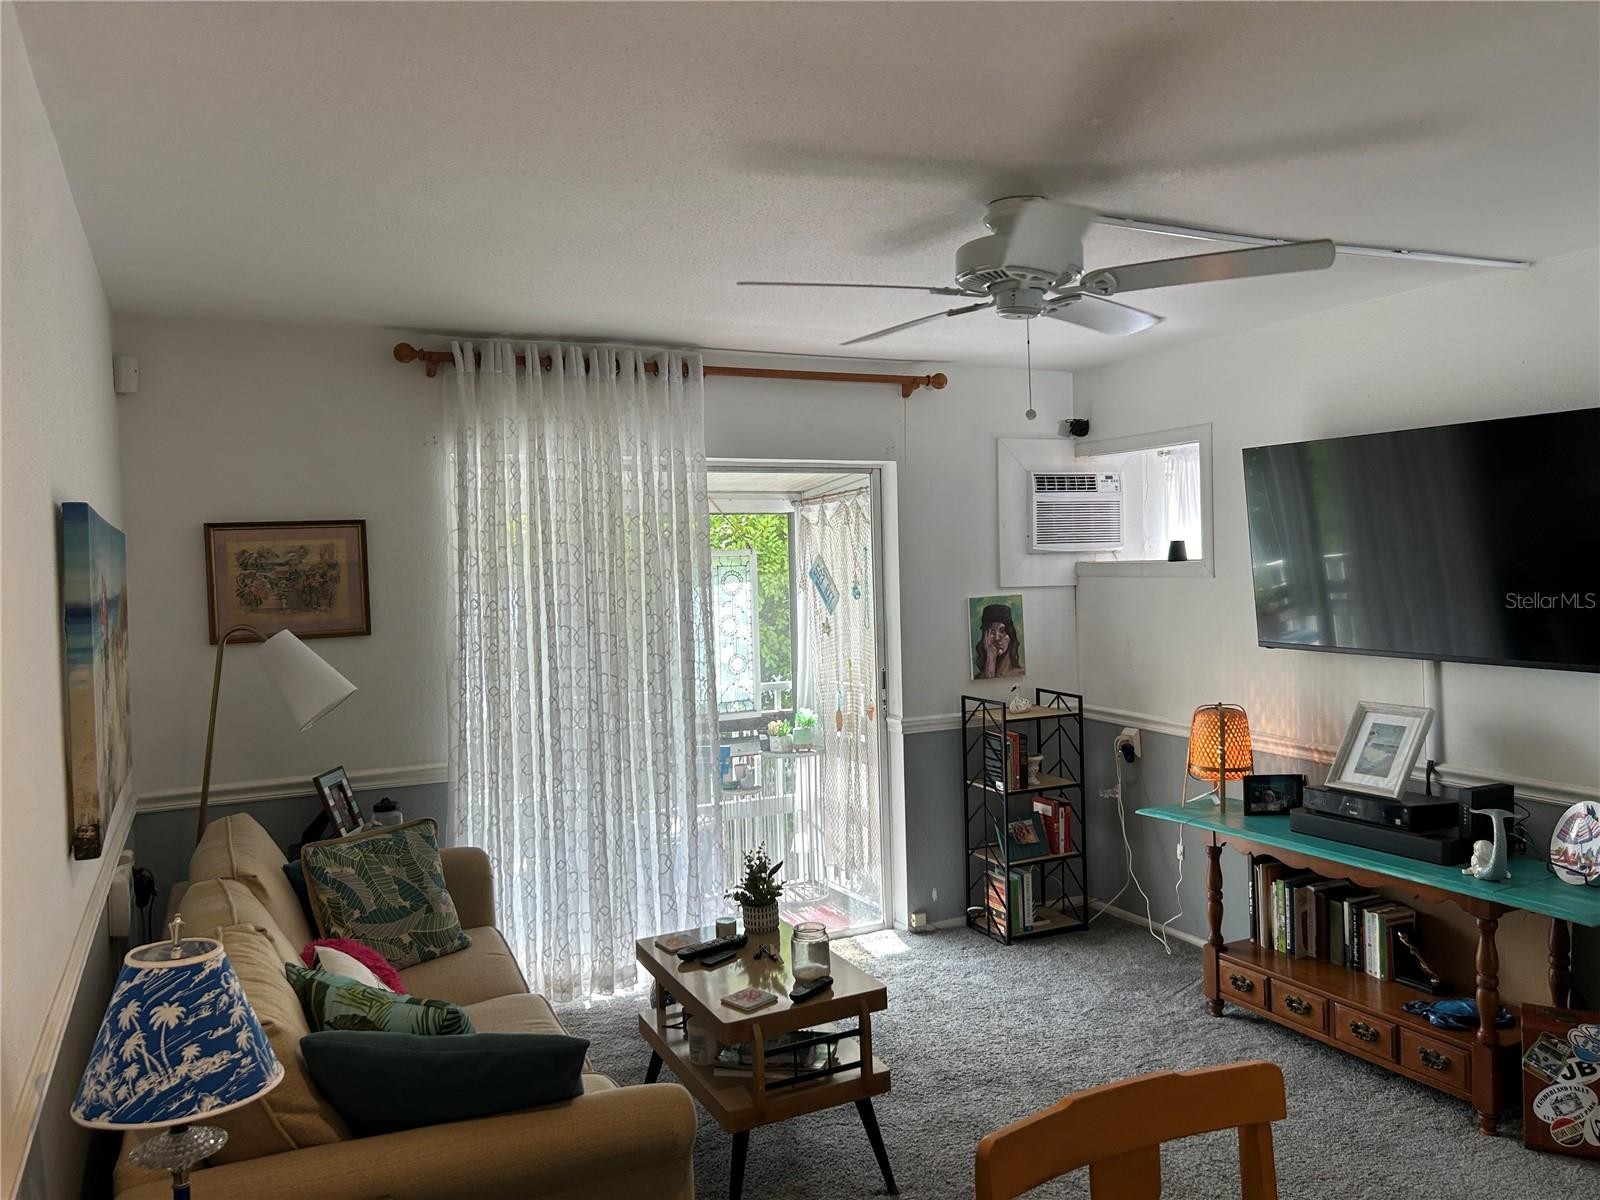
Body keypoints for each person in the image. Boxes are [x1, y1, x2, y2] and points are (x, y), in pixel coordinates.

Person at [974, 603, 1024, 678]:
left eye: (1002, 631)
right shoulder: (979, 678)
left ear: (1010, 635)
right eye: (992, 632)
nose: (997, 638)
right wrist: (991, 660)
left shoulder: (1021, 674)